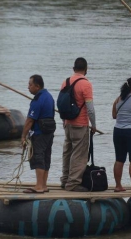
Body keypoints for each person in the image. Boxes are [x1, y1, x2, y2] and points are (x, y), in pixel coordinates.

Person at [60, 57, 97, 192]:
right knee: (79, 154)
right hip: (80, 124)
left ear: (73, 68)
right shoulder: (86, 84)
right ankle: (73, 183)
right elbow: (90, 108)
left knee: (67, 152)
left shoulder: (66, 82)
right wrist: (93, 124)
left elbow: (62, 103)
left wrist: (64, 122)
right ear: (86, 69)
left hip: (67, 123)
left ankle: (65, 180)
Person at [21, 75, 55, 193]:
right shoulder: (49, 96)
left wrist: (23, 136)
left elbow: (29, 120)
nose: (28, 87)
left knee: (38, 156)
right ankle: (44, 185)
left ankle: (39, 186)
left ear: (37, 86)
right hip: (49, 133)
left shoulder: (37, 100)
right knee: (46, 156)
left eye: (30, 85)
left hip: (40, 133)